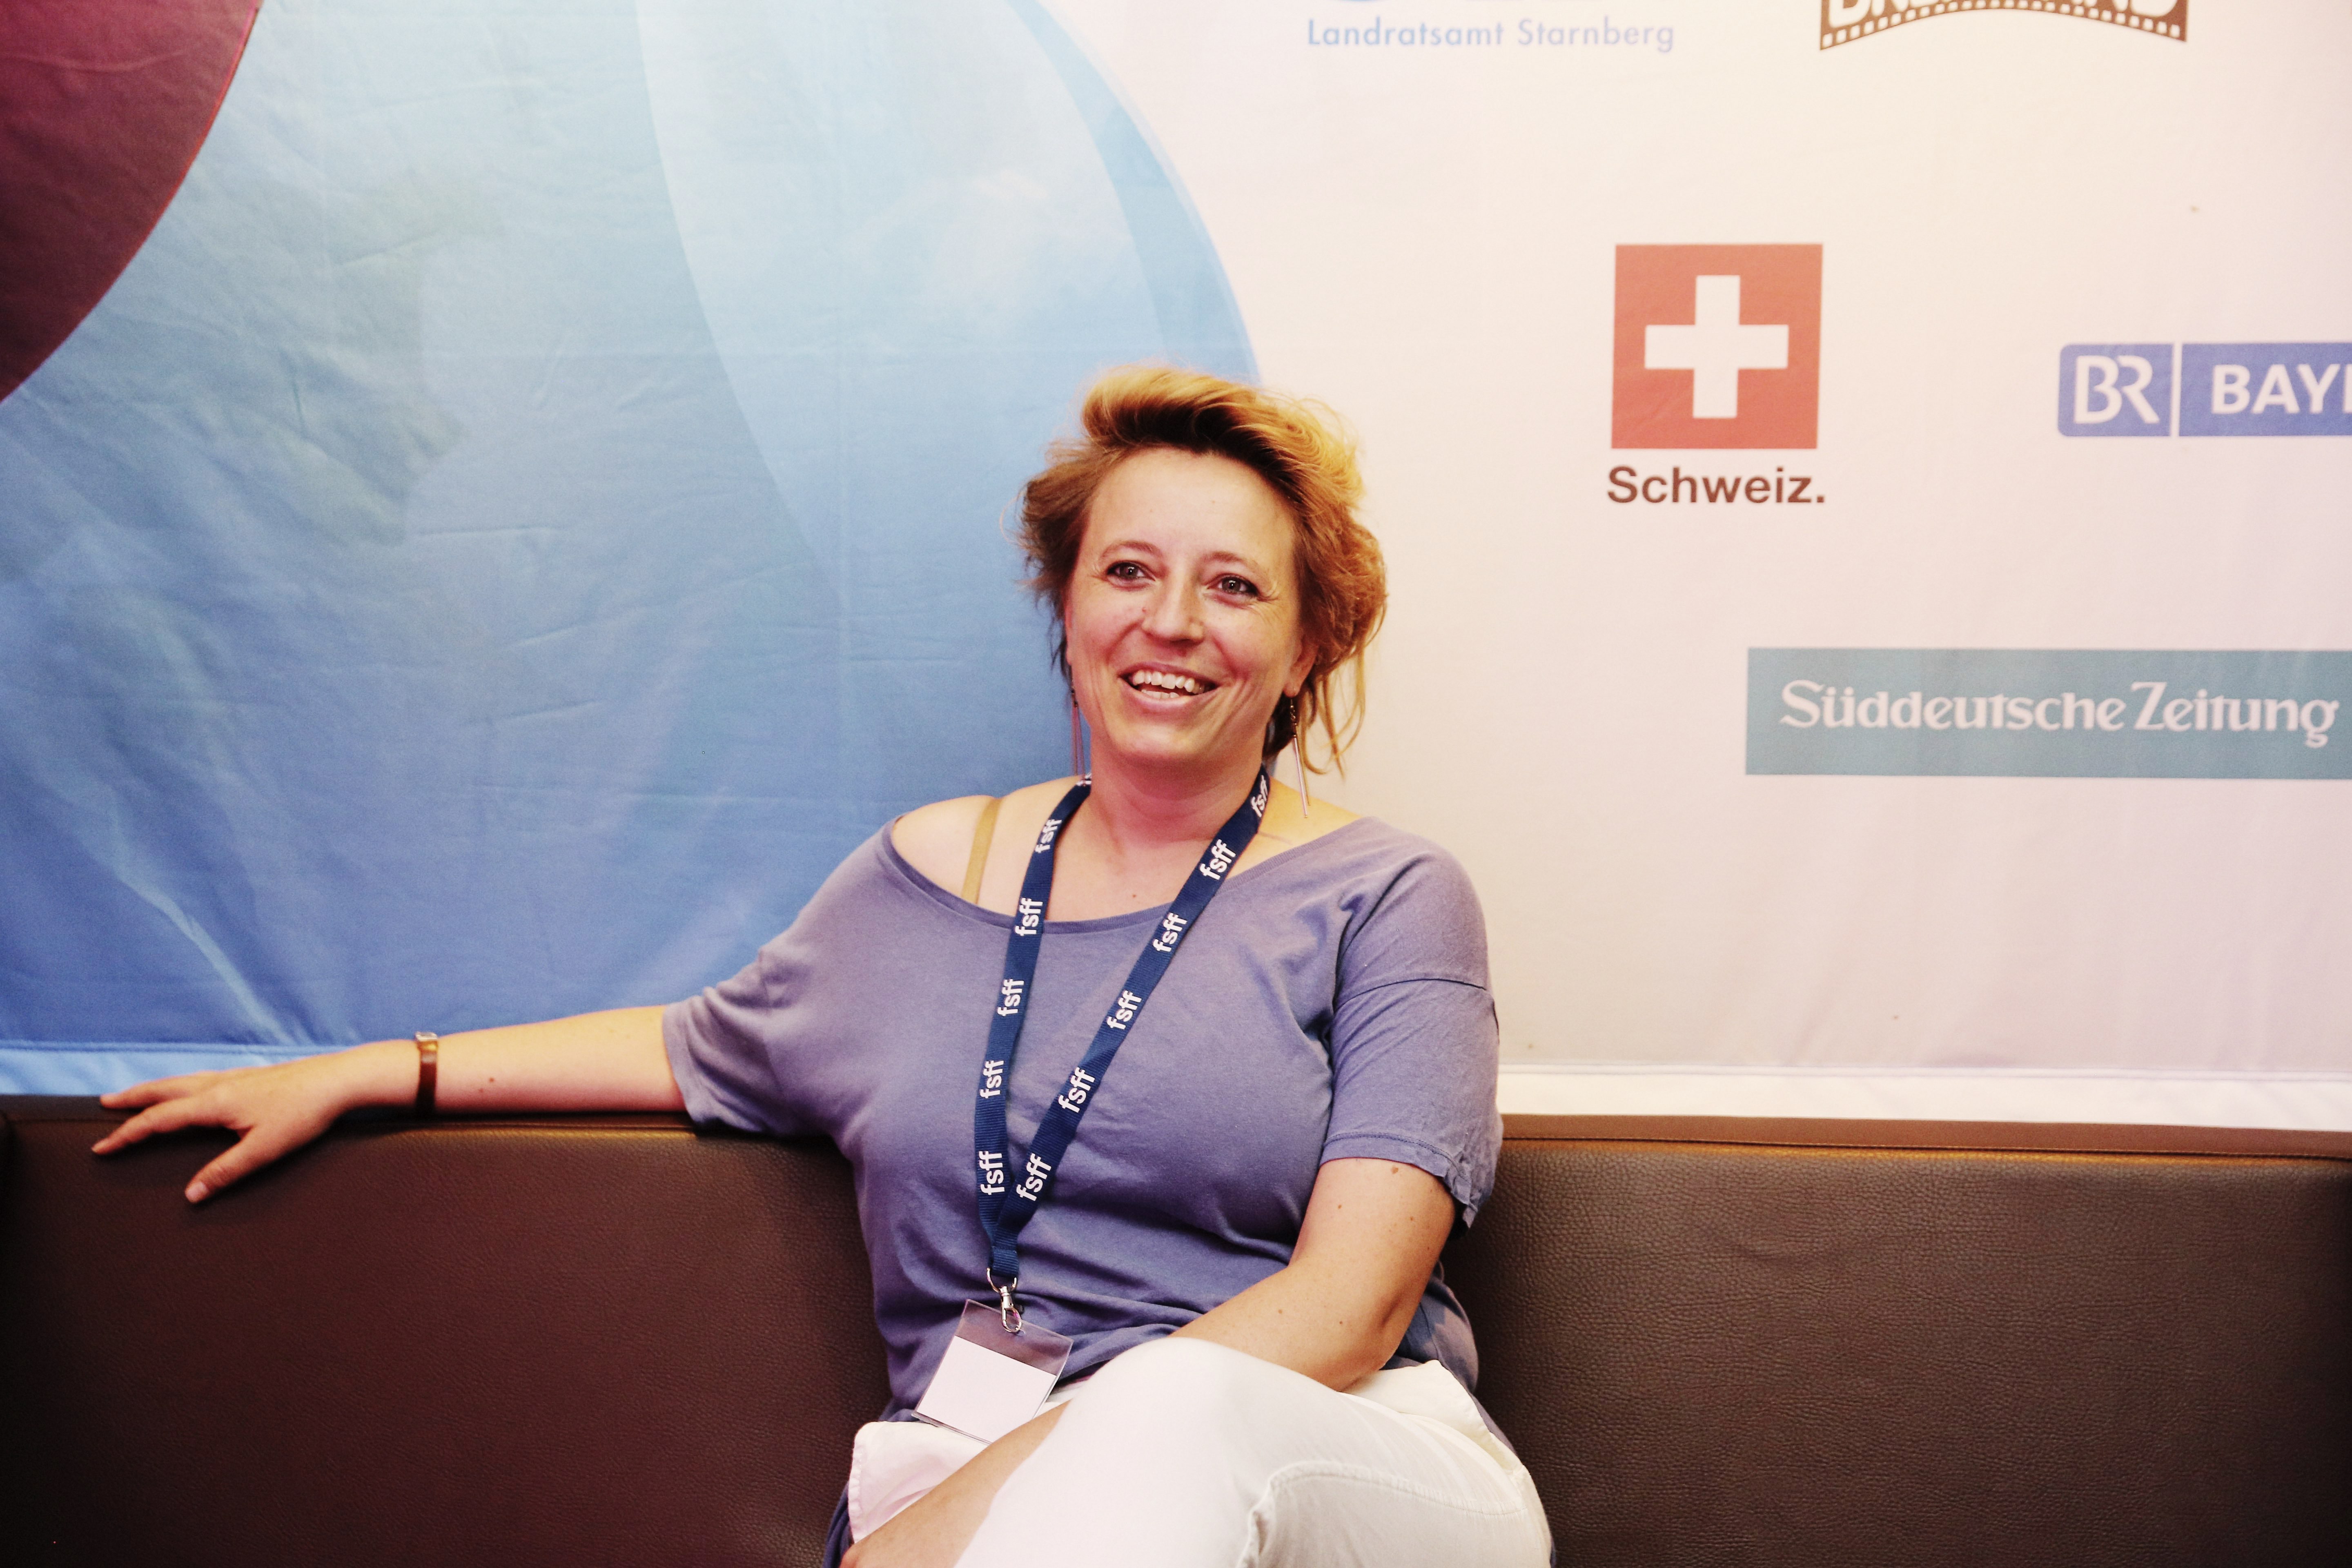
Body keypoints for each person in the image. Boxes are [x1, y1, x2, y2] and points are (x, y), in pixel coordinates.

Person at [92, 366, 1551, 1567]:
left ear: (1306, 647)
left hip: (1359, 1464)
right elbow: (692, 1047)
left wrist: (996, 1498)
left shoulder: (1390, 897)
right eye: (1128, 571)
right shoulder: (922, 880)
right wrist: (379, 1073)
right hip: (988, 1481)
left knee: (1168, 1407)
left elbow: (1354, 1306)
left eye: (1234, 587)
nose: (1171, 622)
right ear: (1066, 607)